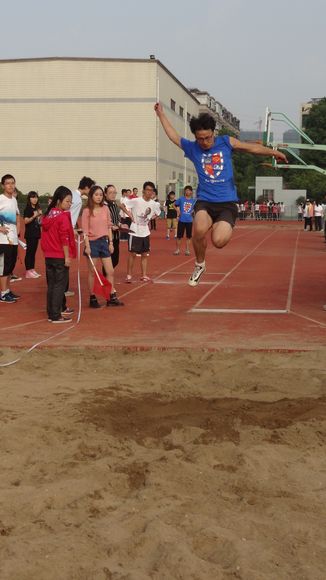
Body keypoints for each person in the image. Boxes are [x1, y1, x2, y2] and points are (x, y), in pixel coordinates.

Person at [154, 103, 288, 286]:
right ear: (195, 137)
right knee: (199, 230)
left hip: (227, 204)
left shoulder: (226, 142)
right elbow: (173, 136)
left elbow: (251, 148)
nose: (204, 142)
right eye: (200, 139)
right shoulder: (193, 148)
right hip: (205, 201)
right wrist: (161, 114)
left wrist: (273, 152)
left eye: (207, 137)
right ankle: (200, 264)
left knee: (218, 242)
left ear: (213, 132)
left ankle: (220, 226)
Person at [81, 185, 124, 308]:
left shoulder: (105, 209)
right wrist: (87, 246)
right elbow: (84, 231)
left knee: (110, 271)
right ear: (91, 196)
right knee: (92, 273)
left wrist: (110, 243)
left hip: (104, 242)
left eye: (100, 195)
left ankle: (111, 297)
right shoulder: (86, 211)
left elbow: (109, 226)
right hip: (92, 243)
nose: (99, 197)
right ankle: (92, 297)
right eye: (96, 194)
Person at [41, 186, 76, 323]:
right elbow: (64, 238)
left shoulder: (48, 215)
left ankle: (52, 312)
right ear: (59, 201)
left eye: (70, 202)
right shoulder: (62, 217)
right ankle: (55, 315)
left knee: (52, 285)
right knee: (59, 285)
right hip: (59, 255)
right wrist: (67, 256)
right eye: (67, 201)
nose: (69, 204)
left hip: (49, 256)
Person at [122, 181, 161, 283]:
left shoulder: (154, 204)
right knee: (133, 254)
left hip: (145, 231)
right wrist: (129, 215)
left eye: (151, 190)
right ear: (143, 191)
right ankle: (129, 275)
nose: (149, 192)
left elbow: (158, 212)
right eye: (147, 190)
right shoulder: (136, 201)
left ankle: (144, 275)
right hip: (135, 230)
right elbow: (122, 205)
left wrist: (151, 217)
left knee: (145, 254)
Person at [66, 176, 95, 297]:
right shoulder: (77, 200)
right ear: (86, 188)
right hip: (67, 231)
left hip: (68, 228)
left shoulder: (71, 194)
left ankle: (63, 287)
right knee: (65, 259)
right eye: (91, 189)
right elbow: (69, 216)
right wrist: (73, 229)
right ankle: (63, 288)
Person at [0, 174, 21, 302]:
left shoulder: (14, 199)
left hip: (13, 239)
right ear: (3, 185)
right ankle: (3, 294)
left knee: (10, 267)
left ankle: (7, 290)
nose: (11, 185)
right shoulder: (0, 199)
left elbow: (17, 215)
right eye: (8, 183)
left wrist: (18, 229)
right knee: (3, 267)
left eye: (13, 183)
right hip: (2, 239)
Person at [23, 191, 42, 278]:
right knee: (29, 252)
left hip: (36, 233)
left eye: (36, 197)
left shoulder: (37, 209)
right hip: (30, 234)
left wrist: (39, 217)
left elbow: (39, 223)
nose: (34, 199)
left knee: (33, 252)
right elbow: (25, 221)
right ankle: (28, 271)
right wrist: (34, 216)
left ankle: (32, 269)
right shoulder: (28, 209)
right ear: (29, 199)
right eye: (32, 197)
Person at [174, 185, 196, 256]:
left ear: (191, 192)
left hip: (189, 220)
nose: (187, 191)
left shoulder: (193, 201)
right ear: (184, 191)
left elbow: (196, 208)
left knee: (188, 236)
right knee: (179, 236)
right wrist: (177, 210)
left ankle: (187, 250)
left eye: (189, 190)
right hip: (181, 220)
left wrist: (193, 211)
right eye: (186, 190)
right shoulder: (181, 199)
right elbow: (174, 205)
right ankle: (177, 249)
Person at [104, 184, 122, 269]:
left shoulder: (115, 205)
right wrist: (111, 227)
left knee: (115, 260)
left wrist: (121, 225)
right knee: (108, 260)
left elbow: (117, 219)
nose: (113, 194)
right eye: (110, 192)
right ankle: (106, 279)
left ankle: (107, 277)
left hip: (116, 236)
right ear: (105, 194)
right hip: (107, 237)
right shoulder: (103, 206)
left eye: (114, 192)